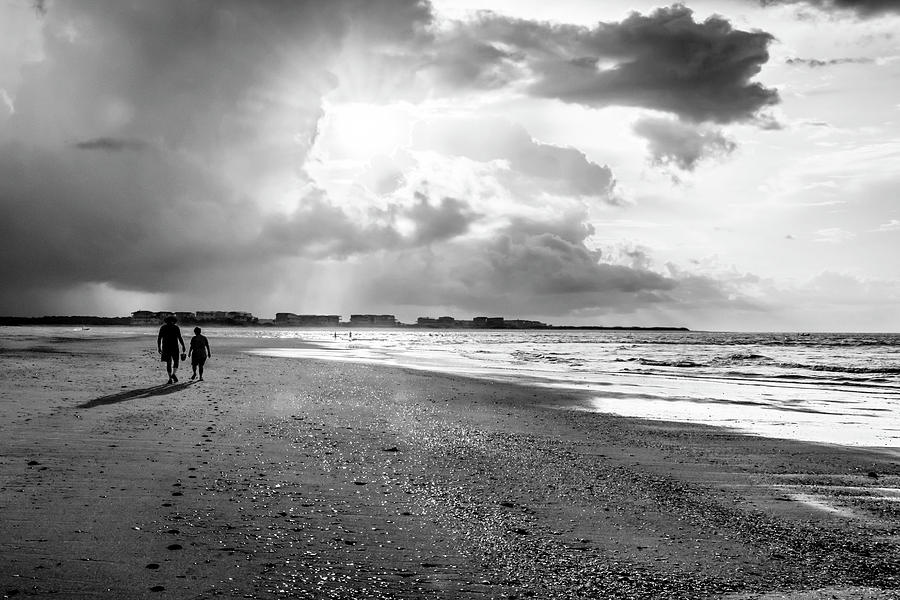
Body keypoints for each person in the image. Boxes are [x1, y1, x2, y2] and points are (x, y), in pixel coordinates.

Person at [157, 315, 186, 384]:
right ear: (174, 321)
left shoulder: (163, 327)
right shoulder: (175, 327)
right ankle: (173, 374)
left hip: (166, 347)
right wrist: (183, 345)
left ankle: (170, 378)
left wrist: (159, 347)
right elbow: (179, 337)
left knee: (168, 363)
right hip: (174, 347)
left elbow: (159, 338)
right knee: (176, 361)